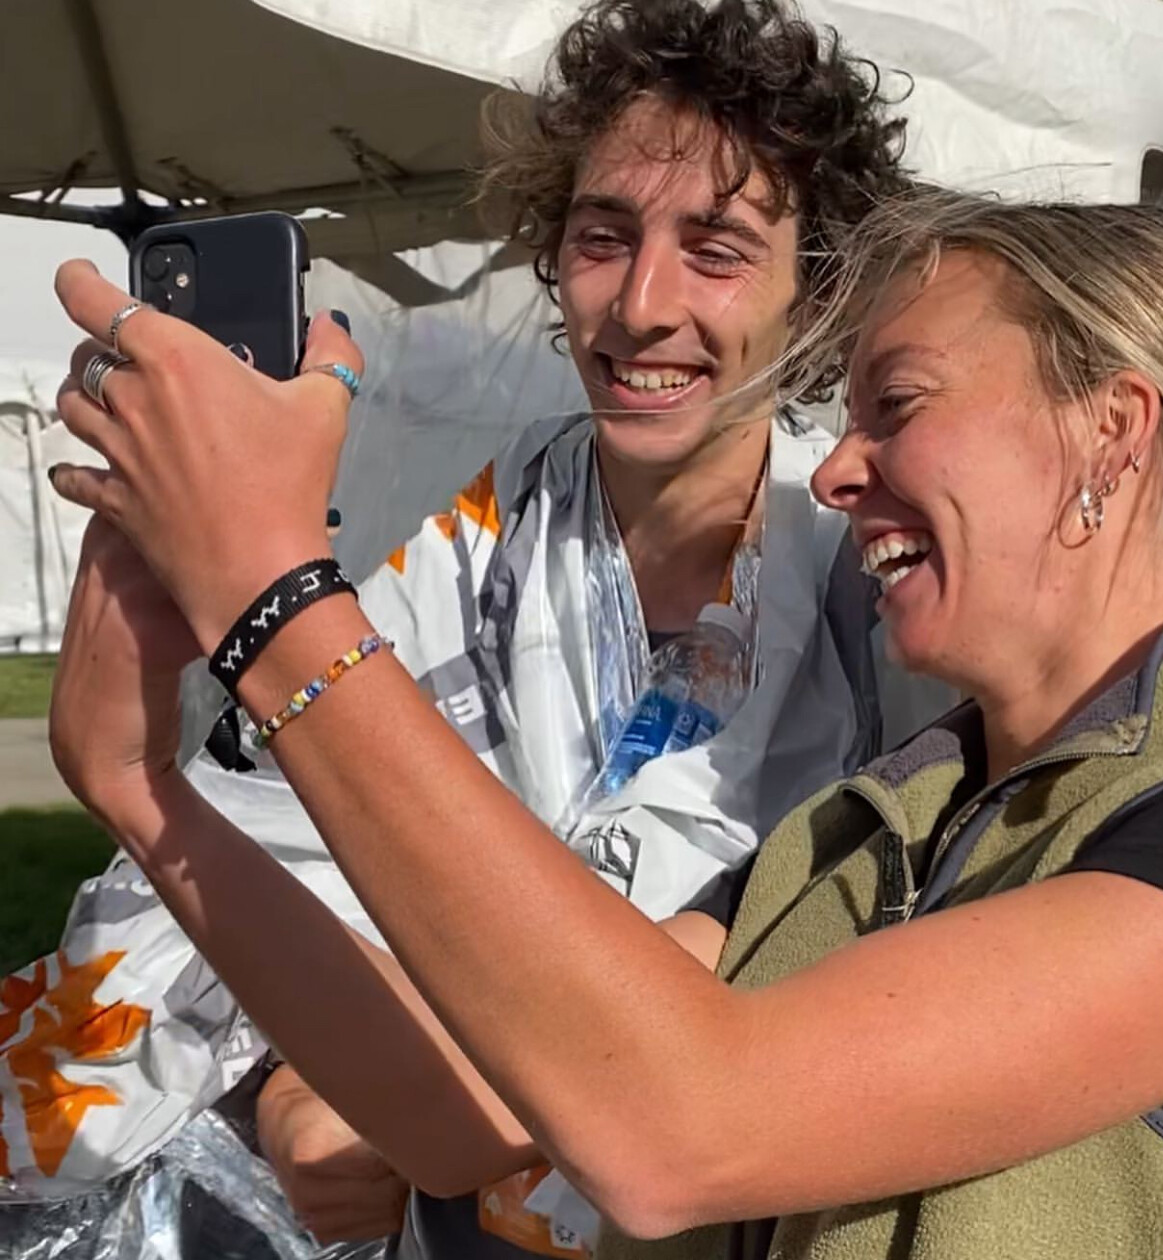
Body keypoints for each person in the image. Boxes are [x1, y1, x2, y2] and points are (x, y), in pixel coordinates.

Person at [47, 178, 1163, 1260]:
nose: (837, 470)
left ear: (1113, 433)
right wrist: (143, 790)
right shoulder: (868, 828)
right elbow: (465, 1111)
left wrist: (274, 603)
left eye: (897, 406)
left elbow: (684, 1128)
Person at [0, 2, 927, 1253]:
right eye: (603, 236)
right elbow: (295, 821)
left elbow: (725, 997)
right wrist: (292, 1077)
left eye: (716, 250)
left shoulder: (874, 579)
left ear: (814, 294)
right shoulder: (489, 538)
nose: (642, 304)